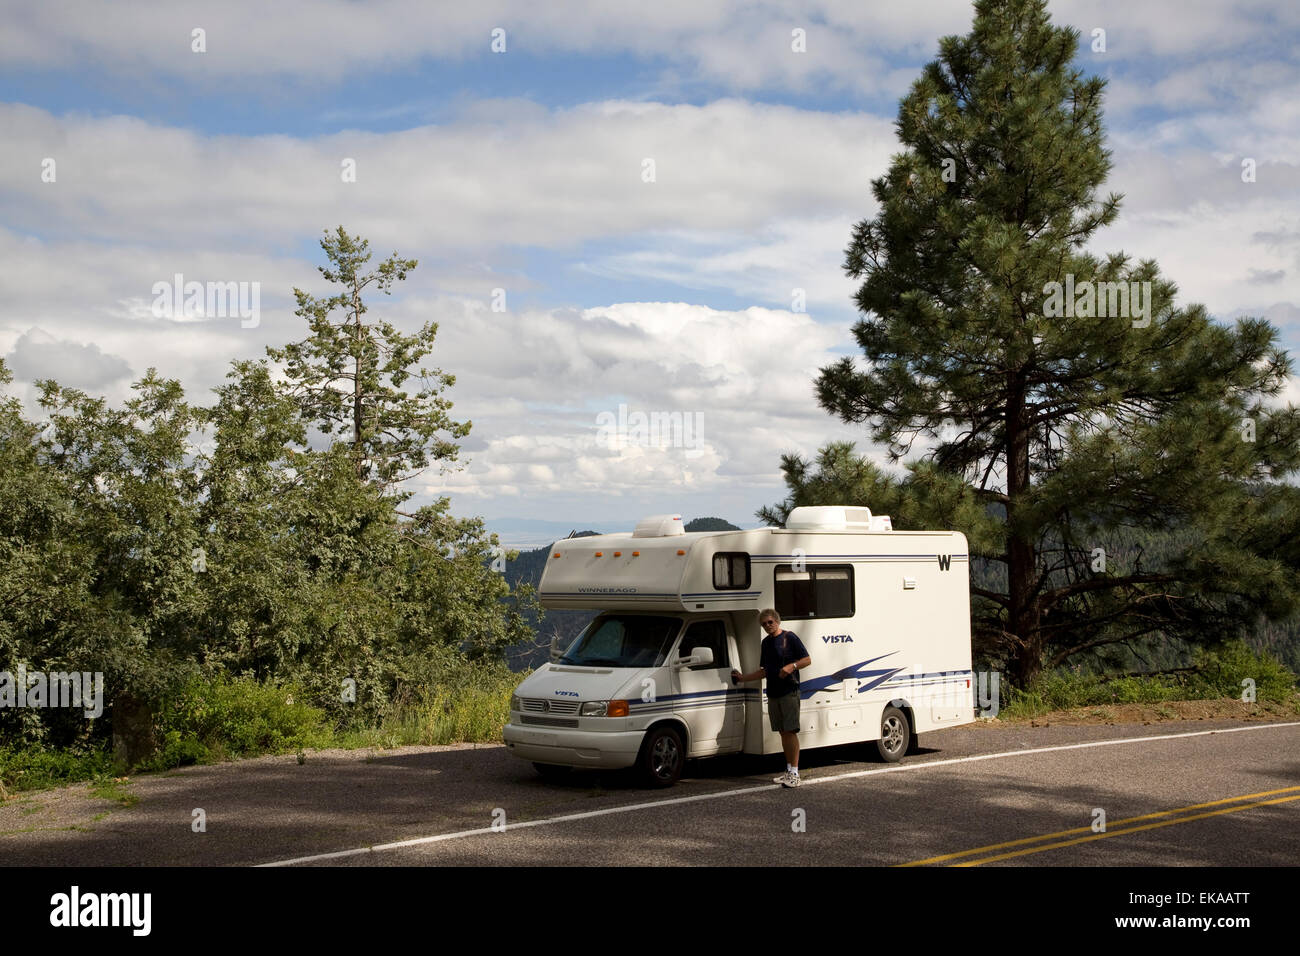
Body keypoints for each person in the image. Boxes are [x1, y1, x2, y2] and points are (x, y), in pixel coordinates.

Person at [731, 609, 811, 788]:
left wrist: (792, 665)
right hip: (773, 692)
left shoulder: (790, 638)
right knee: (783, 732)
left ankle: (795, 774)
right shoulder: (766, 643)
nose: (767, 626)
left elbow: (807, 659)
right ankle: (789, 770)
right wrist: (743, 678)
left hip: (789, 691)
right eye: (764, 624)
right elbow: (764, 670)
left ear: (777, 621)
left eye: (769, 622)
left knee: (790, 731)